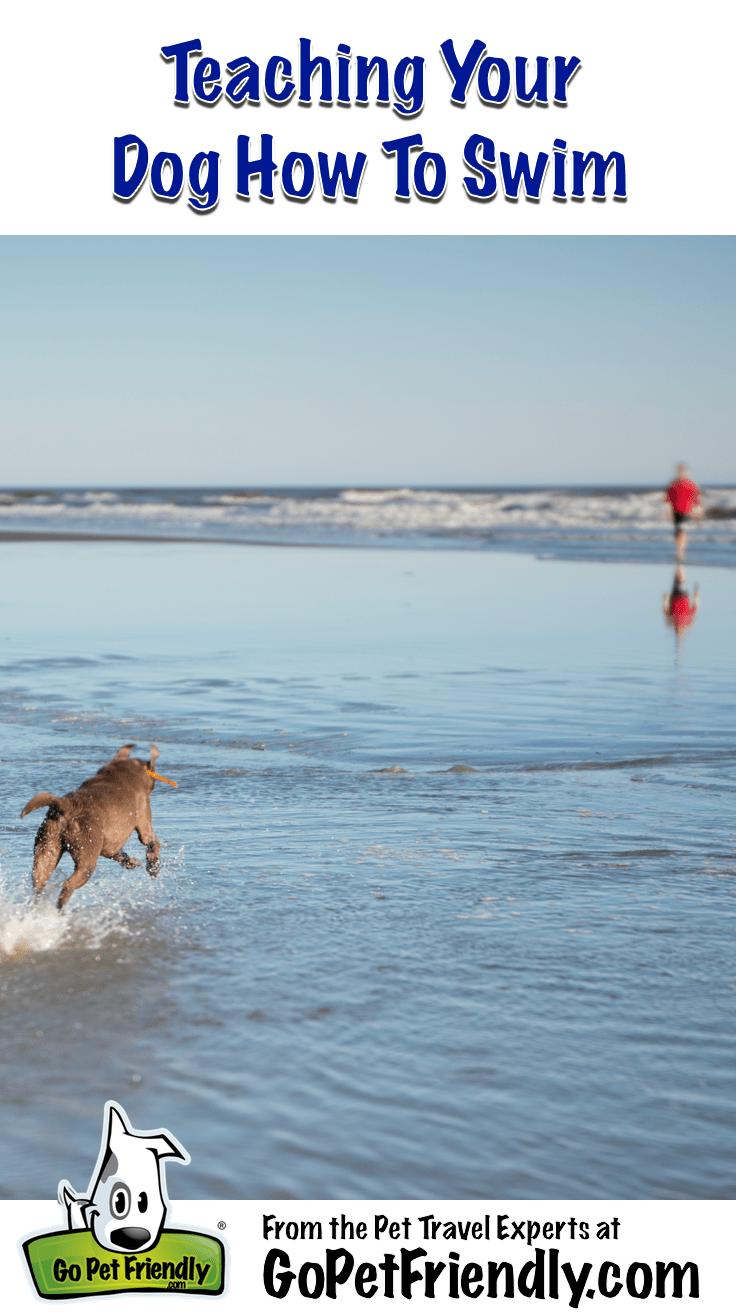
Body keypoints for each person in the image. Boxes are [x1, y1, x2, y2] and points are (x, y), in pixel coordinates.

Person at [664, 462, 702, 560]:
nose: (681, 472)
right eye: (680, 471)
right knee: (677, 533)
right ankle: (679, 551)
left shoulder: (691, 484)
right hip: (676, 511)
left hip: (687, 511)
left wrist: (698, 511)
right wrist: (667, 511)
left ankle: (681, 553)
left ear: (686, 472)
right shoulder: (673, 484)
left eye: (683, 471)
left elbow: (697, 499)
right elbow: (667, 499)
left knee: (682, 531)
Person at [663, 567, 699, 638]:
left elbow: (665, 610)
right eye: (680, 632)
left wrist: (665, 600)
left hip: (674, 597)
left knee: (677, 580)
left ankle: (679, 563)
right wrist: (696, 597)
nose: (679, 629)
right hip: (683, 596)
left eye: (678, 631)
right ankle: (680, 564)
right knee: (680, 580)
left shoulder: (671, 622)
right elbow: (694, 609)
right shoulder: (688, 623)